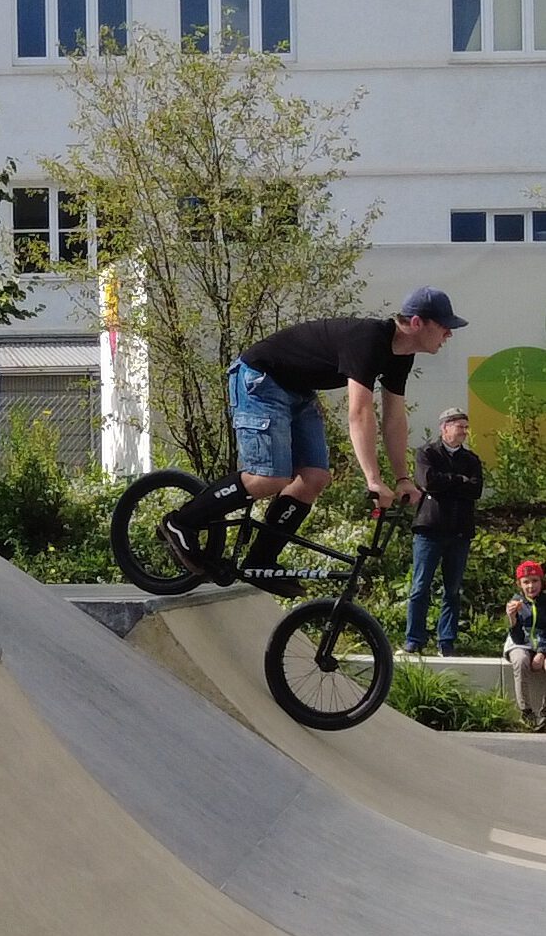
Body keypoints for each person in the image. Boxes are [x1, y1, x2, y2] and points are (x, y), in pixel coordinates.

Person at [160, 286, 468, 598]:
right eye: (445, 327)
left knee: (315, 478)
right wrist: (373, 479)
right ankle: (181, 522)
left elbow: (394, 420)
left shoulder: (401, 357)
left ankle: (261, 558)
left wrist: (402, 478)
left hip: (298, 391)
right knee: (270, 477)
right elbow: (360, 413)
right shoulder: (369, 340)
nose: (449, 335)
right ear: (417, 323)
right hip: (260, 379)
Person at [401, 407, 484, 656]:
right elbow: (428, 482)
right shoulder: (427, 453)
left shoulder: (471, 460)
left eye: (466, 428)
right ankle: (414, 639)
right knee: (420, 586)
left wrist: (448, 483)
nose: (464, 432)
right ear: (445, 427)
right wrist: (459, 481)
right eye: (460, 427)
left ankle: (446, 641)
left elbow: (476, 490)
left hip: (459, 531)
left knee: (453, 589)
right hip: (430, 529)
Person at [504, 560, 546, 729]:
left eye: (535, 581)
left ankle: (544, 712)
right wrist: (512, 619)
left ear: (541, 581)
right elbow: (518, 638)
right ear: (519, 584)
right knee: (520, 661)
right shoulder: (516, 603)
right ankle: (526, 711)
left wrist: (542, 652)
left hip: (542, 643)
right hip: (520, 643)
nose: (531, 586)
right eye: (526, 582)